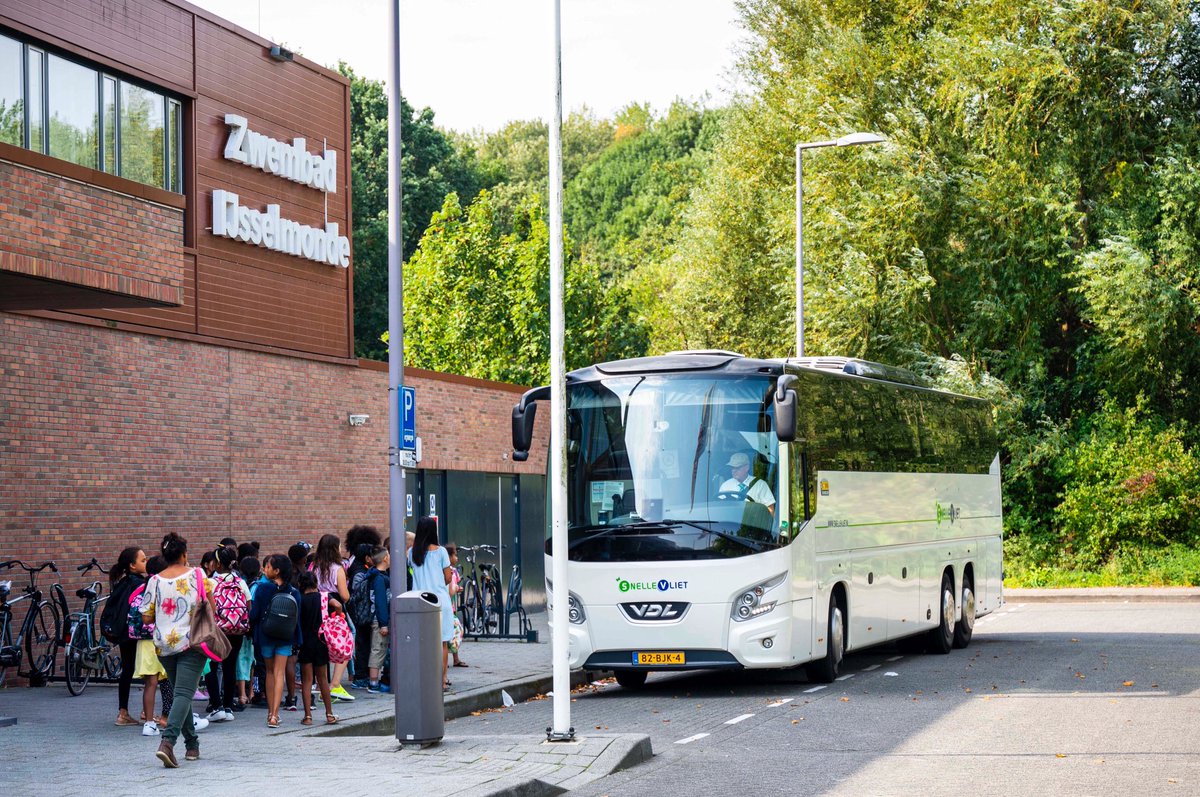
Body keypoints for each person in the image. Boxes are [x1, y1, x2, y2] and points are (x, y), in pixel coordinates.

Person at [139, 532, 215, 768]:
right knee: (183, 694)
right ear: (184, 554)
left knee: (182, 692)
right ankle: (167, 742)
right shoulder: (198, 576)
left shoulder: (154, 581)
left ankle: (192, 744)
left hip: (164, 646)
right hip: (193, 643)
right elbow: (211, 608)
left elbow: (146, 617)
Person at [249, 554, 302, 728]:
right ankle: (275, 715)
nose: (266, 569)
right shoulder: (294, 592)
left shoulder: (263, 589)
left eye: (269, 567)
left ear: (276, 571)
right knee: (280, 673)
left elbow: (254, 614)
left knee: (270, 672)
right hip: (286, 636)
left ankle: (269, 712)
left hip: (266, 635)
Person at [204, 546, 250, 722]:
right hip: (236, 630)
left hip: (217, 630)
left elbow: (205, 606)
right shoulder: (240, 582)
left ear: (216, 564)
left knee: (212, 667)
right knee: (230, 666)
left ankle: (217, 706)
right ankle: (229, 707)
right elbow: (248, 605)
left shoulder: (210, 583)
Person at [408, 516, 454, 691]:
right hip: (440, 601)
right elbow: (448, 577)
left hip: (419, 601)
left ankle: (424, 679)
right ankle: (441, 680)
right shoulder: (441, 552)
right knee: (442, 643)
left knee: (423, 643)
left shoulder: (412, 553)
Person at [309, 534, 353, 702]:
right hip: (334, 610)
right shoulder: (337, 569)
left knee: (321, 646)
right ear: (335, 549)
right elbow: (345, 595)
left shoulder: (313, 566)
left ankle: (321, 685)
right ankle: (335, 684)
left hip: (316, 608)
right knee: (344, 644)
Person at [109, 546, 148, 728]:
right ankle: (146, 712)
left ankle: (122, 712)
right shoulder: (140, 584)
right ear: (132, 565)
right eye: (143, 560)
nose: (146, 562)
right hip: (137, 634)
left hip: (123, 633)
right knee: (150, 673)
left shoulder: (122, 583)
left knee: (127, 670)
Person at [296, 571, 340, 725]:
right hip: (321, 642)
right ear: (315, 583)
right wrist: (337, 617)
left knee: (307, 681)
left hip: (305, 643)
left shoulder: (300, 599)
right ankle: (329, 714)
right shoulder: (324, 597)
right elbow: (338, 605)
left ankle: (308, 717)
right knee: (322, 679)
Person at [344, 524, 381, 690]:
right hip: (361, 612)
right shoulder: (360, 571)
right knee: (363, 643)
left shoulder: (355, 566)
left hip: (361, 612)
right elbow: (357, 592)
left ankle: (361, 675)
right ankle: (360, 676)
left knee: (363, 642)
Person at [234, 556, 261, 711]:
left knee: (240, 660)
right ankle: (251, 692)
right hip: (252, 628)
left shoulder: (240, 582)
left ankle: (242, 694)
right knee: (251, 660)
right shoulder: (257, 585)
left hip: (239, 626)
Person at [363, 546, 391, 694]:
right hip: (379, 620)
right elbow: (380, 602)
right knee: (378, 649)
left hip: (379, 619)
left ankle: (374, 681)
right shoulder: (379, 578)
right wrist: (384, 624)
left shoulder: (377, 576)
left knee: (379, 648)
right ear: (385, 558)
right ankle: (373, 683)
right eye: (389, 555)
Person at [444, 543, 467, 668]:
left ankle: (455, 659)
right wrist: (457, 588)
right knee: (454, 632)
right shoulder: (450, 572)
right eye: (455, 555)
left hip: (451, 606)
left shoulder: (452, 571)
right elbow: (451, 589)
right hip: (449, 607)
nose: (457, 558)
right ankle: (449, 659)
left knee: (451, 632)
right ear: (449, 556)